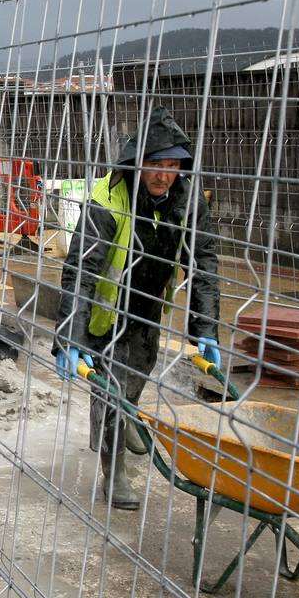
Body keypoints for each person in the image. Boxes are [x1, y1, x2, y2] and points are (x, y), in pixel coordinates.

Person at [53, 106, 220, 510]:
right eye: (155, 164)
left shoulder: (186, 200)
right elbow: (83, 268)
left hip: (147, 306)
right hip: (105, 312)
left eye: (172, 165)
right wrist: (70, 335)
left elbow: (204, 262)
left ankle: (126, 414)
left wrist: (206, 328)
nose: (164, 174)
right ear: (137, 163)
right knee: (109, 389)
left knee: (138, 371)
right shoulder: (108, 199)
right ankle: (115, 473)